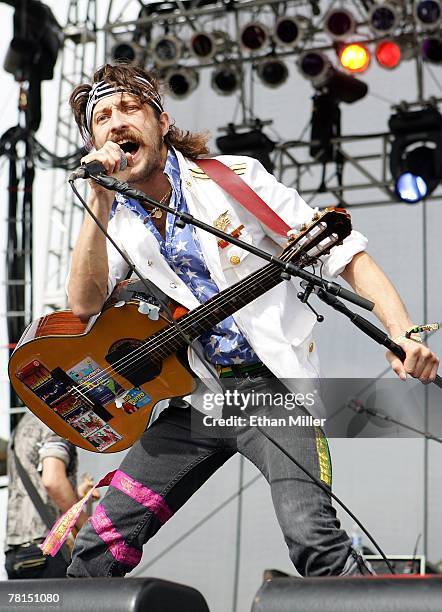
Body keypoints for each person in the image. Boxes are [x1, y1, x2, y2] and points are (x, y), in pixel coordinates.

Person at [65, 63, 439, 579]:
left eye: (129, 108)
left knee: (312, 539)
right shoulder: (115, 221)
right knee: (94, 551)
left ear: (161, 120)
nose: (115, 123)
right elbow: (84, 305)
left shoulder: (231, 179)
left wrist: (402, 331)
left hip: (270, 394)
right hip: (194, 401)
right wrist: (98, 202)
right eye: (101, 117)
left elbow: (344, 254)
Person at [5, 411, 94, 579]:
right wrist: (89, 528)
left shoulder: (24, 424)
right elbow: (53, 481)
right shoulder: (53, 421)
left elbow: (36, 484)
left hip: (16, 553)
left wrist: (77, 494)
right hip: (47, 549)